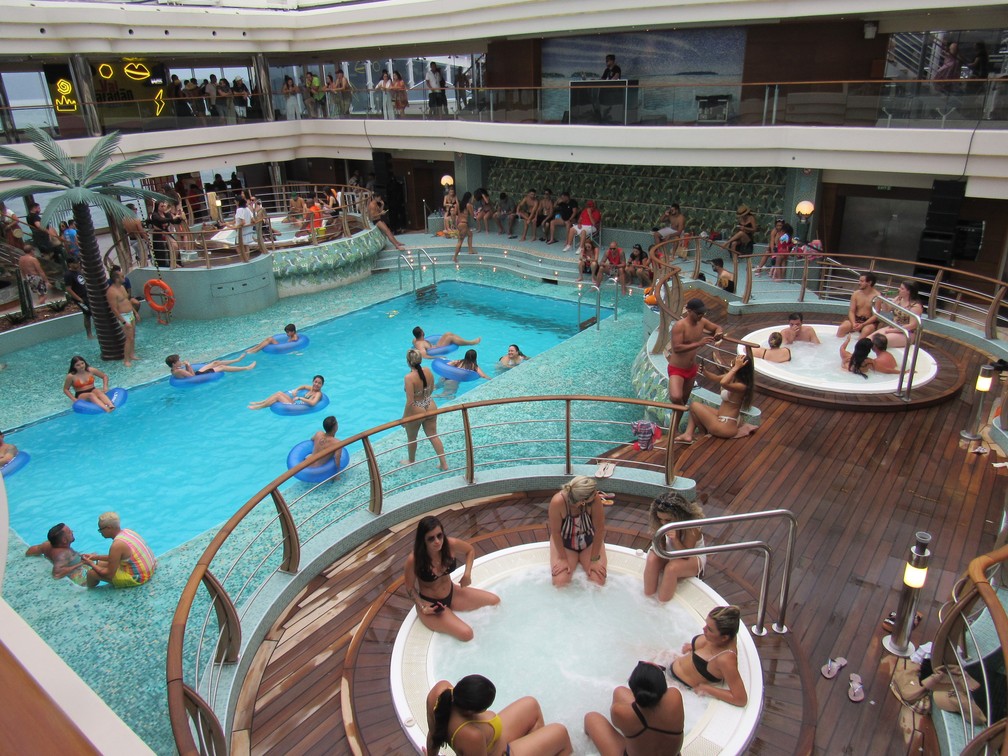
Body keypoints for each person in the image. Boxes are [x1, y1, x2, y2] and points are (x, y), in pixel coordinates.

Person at [402, 515, 500, 642]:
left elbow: (469, 550)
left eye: (439, 535)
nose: (437, 541)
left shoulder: (450, 545)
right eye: (431, 539)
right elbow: (409, 587)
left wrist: (467, 574)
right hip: (431, 604)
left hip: (453, 593)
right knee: (467, 634)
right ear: (423, 540)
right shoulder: (414, 559)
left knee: (495, 601)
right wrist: (422, 606)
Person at [426, 675, 572, 756]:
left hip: (493, 742)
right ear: (471, 712)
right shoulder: (471, 735)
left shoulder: (440, 692)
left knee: (531, 704)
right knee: (562, 734)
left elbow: (433, 734)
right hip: (504, 753)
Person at [584, 661, 685, 756]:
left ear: (633, 687)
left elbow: (618, 721)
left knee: (590, 718)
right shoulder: (675, 697)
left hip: (635, 734)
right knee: (620, 691)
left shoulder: (619, 712)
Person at [669, 605, 748, 705]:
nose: (703, 629)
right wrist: (693, 646)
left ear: (724, 638)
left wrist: (707, 689)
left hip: (677, 685)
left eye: (710, 629)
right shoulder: (725, 633)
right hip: (671, 661)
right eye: (706, 624)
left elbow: (741, 699)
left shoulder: (726, 659)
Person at [674, 353, 756, 443]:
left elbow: (723, 383)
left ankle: (694, 434)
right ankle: (691, 434)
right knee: (695, 409)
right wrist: (705, 372)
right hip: (721, 417)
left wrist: (736, 368)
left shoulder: (742, 386)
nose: (732, 363)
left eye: (735, 362)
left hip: (725, 426)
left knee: (694, 405)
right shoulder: (734, 377)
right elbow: (716, 378)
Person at [643, 491, 705, 602]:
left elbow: (686, 556)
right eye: (660, 519)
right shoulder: (661, 523)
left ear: (679, 516)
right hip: (670, 551)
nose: (663, 523)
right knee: (652, 559)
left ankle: (662, 603)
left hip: (691, 556)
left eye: (668, 520)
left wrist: (675, 539)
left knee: (671, 568)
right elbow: (660, 546)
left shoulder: (692, 526)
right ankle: (647, 599)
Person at [548, 475, 609, 587]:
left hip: (589, 542)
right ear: (583, 500)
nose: (596, 494)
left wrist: (594, 559)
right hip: (565, 544)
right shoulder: (558, 502)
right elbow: (555, 532)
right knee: (560, 583)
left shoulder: (594, 500)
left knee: (598, 581)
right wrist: (562, 558)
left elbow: (599, 529)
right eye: (594, 493)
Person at [666, 298, 723, 405]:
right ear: (689, 311)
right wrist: (699, 343)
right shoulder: (680, 326)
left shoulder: (702, 322)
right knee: (676, 397)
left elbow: (717, 327)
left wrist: (718, 333)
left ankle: (675, 421)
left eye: (703, 313)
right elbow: (677, 348)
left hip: (691, 368)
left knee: (684, 400)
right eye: (698, 313)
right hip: (677, 369)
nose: (700, 316)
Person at [81, 512, 157, 589]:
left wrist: (91, 564)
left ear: (109, 528)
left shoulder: (116, 545)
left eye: (100, 529)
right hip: (150, 567)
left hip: (140, 577)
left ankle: (86, 591)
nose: (100, 532)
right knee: (100, 563)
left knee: (91, 573)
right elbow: (115, 558)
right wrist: (96, 557)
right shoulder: (127, 532)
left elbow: (109, 574)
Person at [402, 348, 449, 470]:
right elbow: (432, 388)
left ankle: (411, 461)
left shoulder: (409, 377)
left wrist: (404, 418)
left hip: (417, 408)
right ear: (420, 360)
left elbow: (410, 402)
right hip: (430, 404)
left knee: (412, 438)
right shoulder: (427, 371)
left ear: (408, 362)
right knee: (433, 435)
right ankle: (444, 464)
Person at [25, 523, 91, 585]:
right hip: (74, 575)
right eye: (69, 532)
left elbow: (30, 551)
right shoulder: (63, 554)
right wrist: (81, 563)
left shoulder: (47, 544)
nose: (72, 531)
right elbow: (57, 574)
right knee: (91, 575)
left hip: (67, 560)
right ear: (64, 540)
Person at [876, 281, 924, 348]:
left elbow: (913, 325)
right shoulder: (898, 298)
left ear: (909, 292)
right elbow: (886, 310)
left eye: (902, 288)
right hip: (893, 327)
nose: (899, 289)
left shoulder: (915, 306)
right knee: (869, 339)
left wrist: (893, 330)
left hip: (907, 333)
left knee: (879, 342)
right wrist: (884, 300)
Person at [107, 268, 138, 367]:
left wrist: (135, 312)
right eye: (122, 276)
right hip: (124, 316)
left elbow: (127, 301)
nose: (124, 278)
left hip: (130, 314)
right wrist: (124, 322)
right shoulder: (111, 292)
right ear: (116, 279)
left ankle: (132, 355)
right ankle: (126, 360)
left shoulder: (122, 287)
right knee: (128, 338)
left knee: (133, 336)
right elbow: (114, 309)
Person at [836, 272, 881, 337]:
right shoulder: (856, 294)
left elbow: (876, 315)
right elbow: (851, 311)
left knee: (866, 331)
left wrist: (863, 324)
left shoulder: (877, 296)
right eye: (859, 281)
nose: (859, 283)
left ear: (869, 283)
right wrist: (854, 323)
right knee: (842, 328)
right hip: (856, 319)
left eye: (862, 281)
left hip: (869, 322)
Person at [248, 375, 325, 410]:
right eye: (315, 382)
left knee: (278, 396)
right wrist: (296, 390)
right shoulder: (311, 388)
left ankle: (260, 407)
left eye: (319, 383)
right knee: (279, 392)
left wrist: (300, 398)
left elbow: (313, 403)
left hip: (295, 407)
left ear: (322, 385)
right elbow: (304, 386)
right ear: (312, 382)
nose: (316, 384)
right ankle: (262, 402)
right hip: (296, 403)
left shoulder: (318, 393)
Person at [63, 258, 92, 339]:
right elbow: (68, 289)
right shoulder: (68, 275)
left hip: (86, 295)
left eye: (78, 262)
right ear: (70, 264)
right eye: (75, 263)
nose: (77, 264)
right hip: (80, 298)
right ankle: (89, 335)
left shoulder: (79, 272)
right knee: (87, 313)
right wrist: (79, 299)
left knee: (91, 312)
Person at [411, 326, 480, 359]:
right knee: (450, 338)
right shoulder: (420, 344)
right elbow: (424, 356)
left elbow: (414, 342)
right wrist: (438, 357)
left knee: (448, 333)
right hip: (437, 348)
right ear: (422, 333)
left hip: (435, 346)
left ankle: (467, 341)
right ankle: (471, 343)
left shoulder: (415, 340)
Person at [166, 353, 256, 377]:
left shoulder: (174, 370)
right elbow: (193, 377)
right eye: (178, 360)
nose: (180, 361)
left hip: (197, 373)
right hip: (198, 376)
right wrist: (188, 365)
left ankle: (237, 359)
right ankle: (246, 368)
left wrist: (186, 366)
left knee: (215, 363)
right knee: (221, 367)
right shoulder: (179, 371)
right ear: (174, 364)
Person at [229, 196, 254, 262]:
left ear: (238, 202)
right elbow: (253, 220)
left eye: (235, 202)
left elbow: (243, 222)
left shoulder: (239, 210)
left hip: (241, 231)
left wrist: (236, 226)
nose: (235, 203)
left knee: (237, 246)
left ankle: (243, 259)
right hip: (248, 230)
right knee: (246, 245)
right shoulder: (247, 209)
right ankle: (247, 259)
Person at [453, 191, 475, 262]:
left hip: (459, 223)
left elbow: (454, 214)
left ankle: (470, 250)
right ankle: (454, 257)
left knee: (470, 234)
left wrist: (454, 223)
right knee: (460, 241)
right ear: (469, 198)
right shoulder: (468, 205)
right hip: (464, 224)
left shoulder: (458, 205)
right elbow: (472, 215)